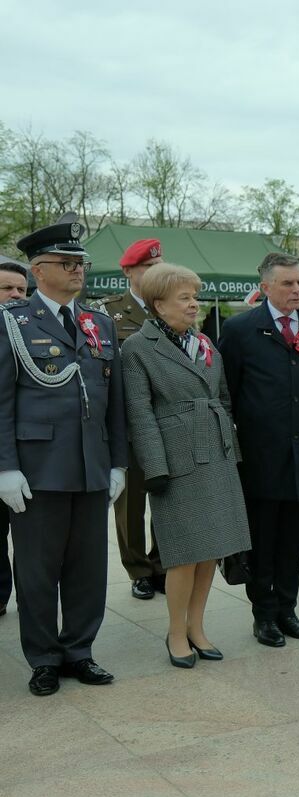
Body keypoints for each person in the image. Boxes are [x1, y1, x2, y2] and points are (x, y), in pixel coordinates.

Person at [1, 214, 126, 696]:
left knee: (88, 569)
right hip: (37, 469)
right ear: (38, 269)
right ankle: (44, 658)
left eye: (81, 263)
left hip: (91, 464)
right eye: (67, 263)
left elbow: (112, 398)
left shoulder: (99, 323)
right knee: (36, 570)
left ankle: (79, 650)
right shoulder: (12, 323)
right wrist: (4, 467)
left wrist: (117, 461)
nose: (78, 270)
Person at [122, 264, 251, 667]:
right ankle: (176, 632)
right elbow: (140, 415)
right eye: (184, 297)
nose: (194, 303)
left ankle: (197, 626)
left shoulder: (204, 342)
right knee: (183, 553)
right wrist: (156, 468)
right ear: (158, 304)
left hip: (215, 452)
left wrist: (231, 447)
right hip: (177, 460)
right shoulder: (138, 349)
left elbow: (224, 398)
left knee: (211, 549)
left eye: (195, 295)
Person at [219, 252, 299, 647]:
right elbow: (227, 396)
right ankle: (264, 614)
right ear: (266, 287)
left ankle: (288, 610)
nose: (297, 290)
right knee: (263, 538)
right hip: (260, 455)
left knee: (294, 538)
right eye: (288, 283)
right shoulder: (240, 331)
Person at [94, 238, 167, 600]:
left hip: (168, 421)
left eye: (159, 267)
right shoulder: (107, 312)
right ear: (128, 272)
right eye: (148, 268)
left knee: (168, 498)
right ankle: (138, 568)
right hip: (130, 425)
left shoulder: (171, 308)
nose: (156, 274)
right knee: (131, 504)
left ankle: (161, 564)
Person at [0, 262, 28, 618]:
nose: (16, 295)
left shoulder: (33, 331)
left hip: (27, 452)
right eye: (7, 288)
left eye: (22, 289)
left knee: (30, 539)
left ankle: (30, 598)